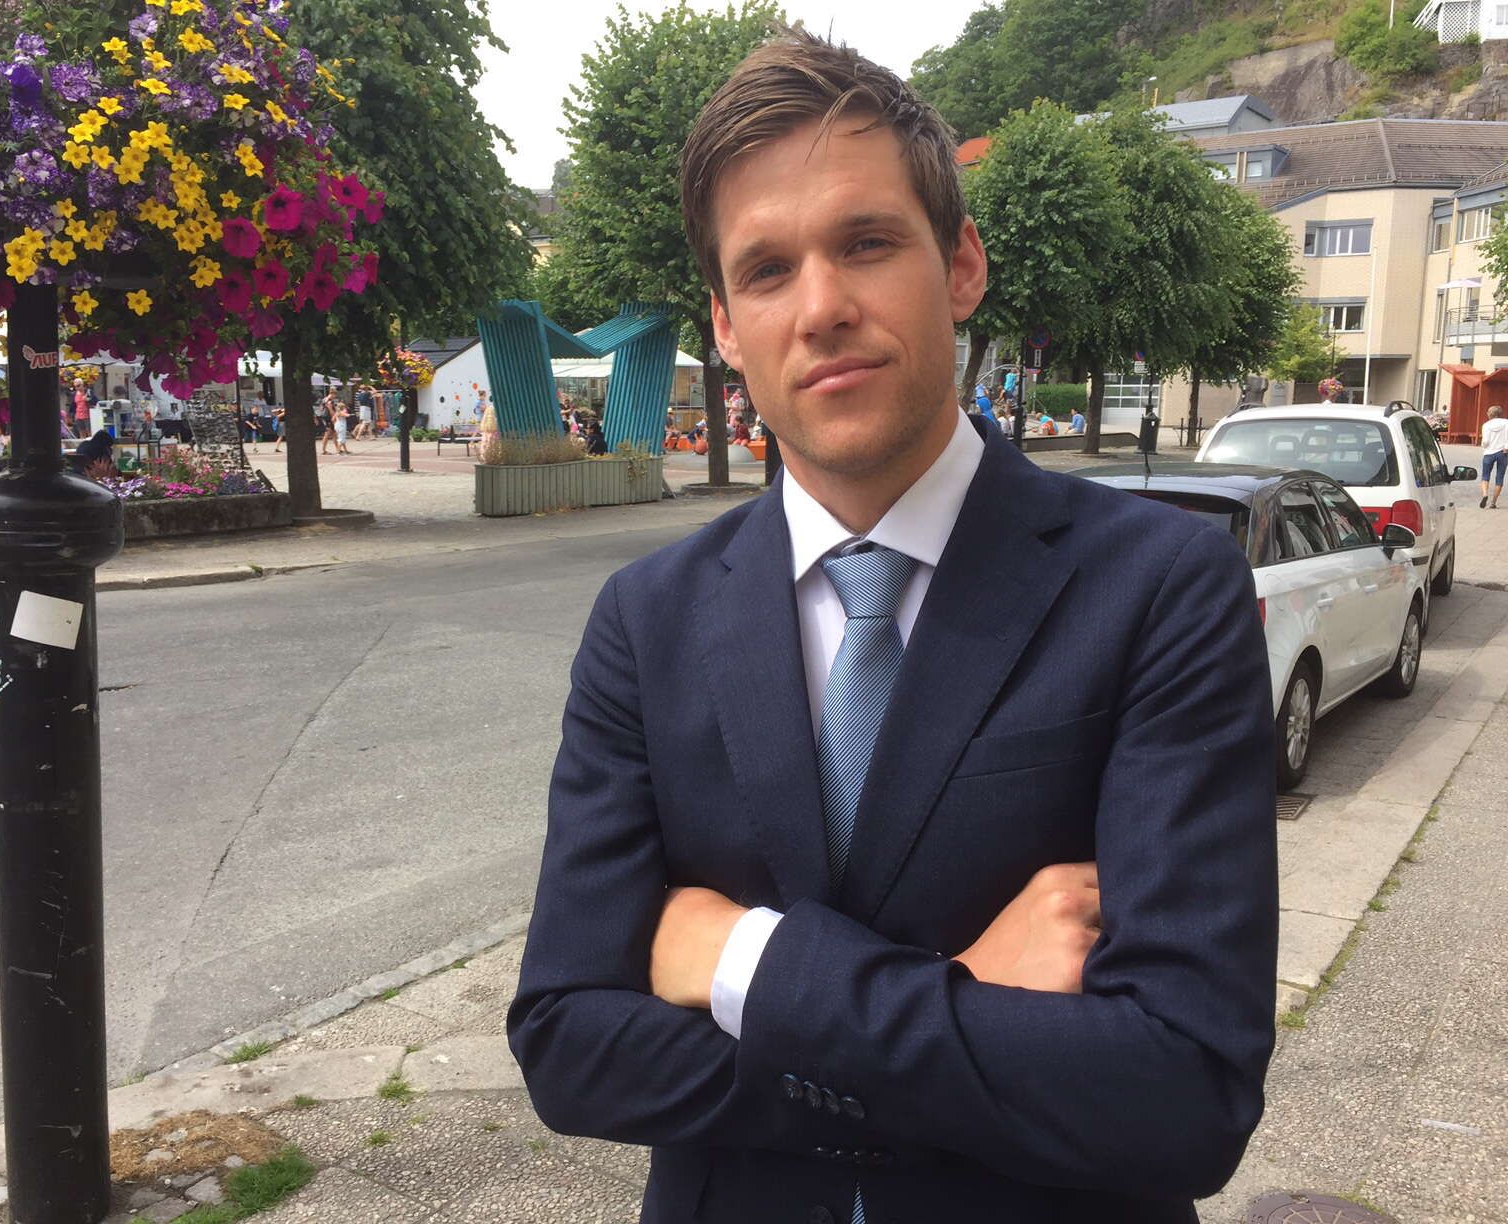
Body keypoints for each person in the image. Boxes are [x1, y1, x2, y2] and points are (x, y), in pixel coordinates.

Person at [508, 29, 1277, 1224]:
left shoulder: (1161, 588)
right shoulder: (646, 622)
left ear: (960, 264)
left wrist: (744, 962)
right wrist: (962, 987)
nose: (822, 307)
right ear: (725, 326)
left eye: (866, 243)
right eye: (768, 270)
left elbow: (1182, 1093)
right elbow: (569, 1047)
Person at [1481, 403, 1508, 508]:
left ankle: (1485, 494)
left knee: (1485, 476)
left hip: (1489, 452)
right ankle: (1493, 502)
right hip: (1503, 452)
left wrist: (1484, 445)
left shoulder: (1486, 425)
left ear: (1490, 414)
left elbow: (1486, 441)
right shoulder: (1506, 423)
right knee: (1499, 477)